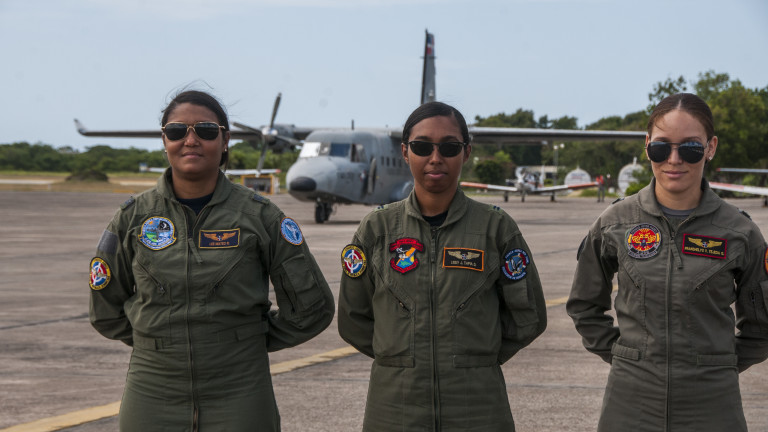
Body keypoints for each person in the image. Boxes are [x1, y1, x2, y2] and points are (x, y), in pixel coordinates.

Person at [88, 90, 334, 431]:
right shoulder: (131, 218)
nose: (190, 140)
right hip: (153, 389)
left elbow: (312, 308)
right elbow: (105, 310)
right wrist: (158, 337)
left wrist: (246, 340)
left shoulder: (261, 217)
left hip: (240, 389)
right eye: (177, 131)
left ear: (225, 139)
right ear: (164, 140)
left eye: (205, 130)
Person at [338, 101, 547, 431]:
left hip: (478, 411)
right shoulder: (376, 230)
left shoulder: (496, 229)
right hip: (394, 411)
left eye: (449, 147)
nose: (435, 158)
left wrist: (476, 359)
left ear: (466, 152)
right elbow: (353, 320)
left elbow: (528, 316)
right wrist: (400, 360)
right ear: (405, 152)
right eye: (422, 147)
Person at [567, 93, 768, 431]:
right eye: (661, 148)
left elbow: (762, 327)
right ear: (647, 146)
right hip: (630, 402)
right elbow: (584, 306)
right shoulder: (614, 223)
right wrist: (627, 357)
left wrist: (716, 364)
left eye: (690, 148)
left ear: (711, 147)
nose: (674, 160)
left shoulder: (740, 232)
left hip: (713, 404)